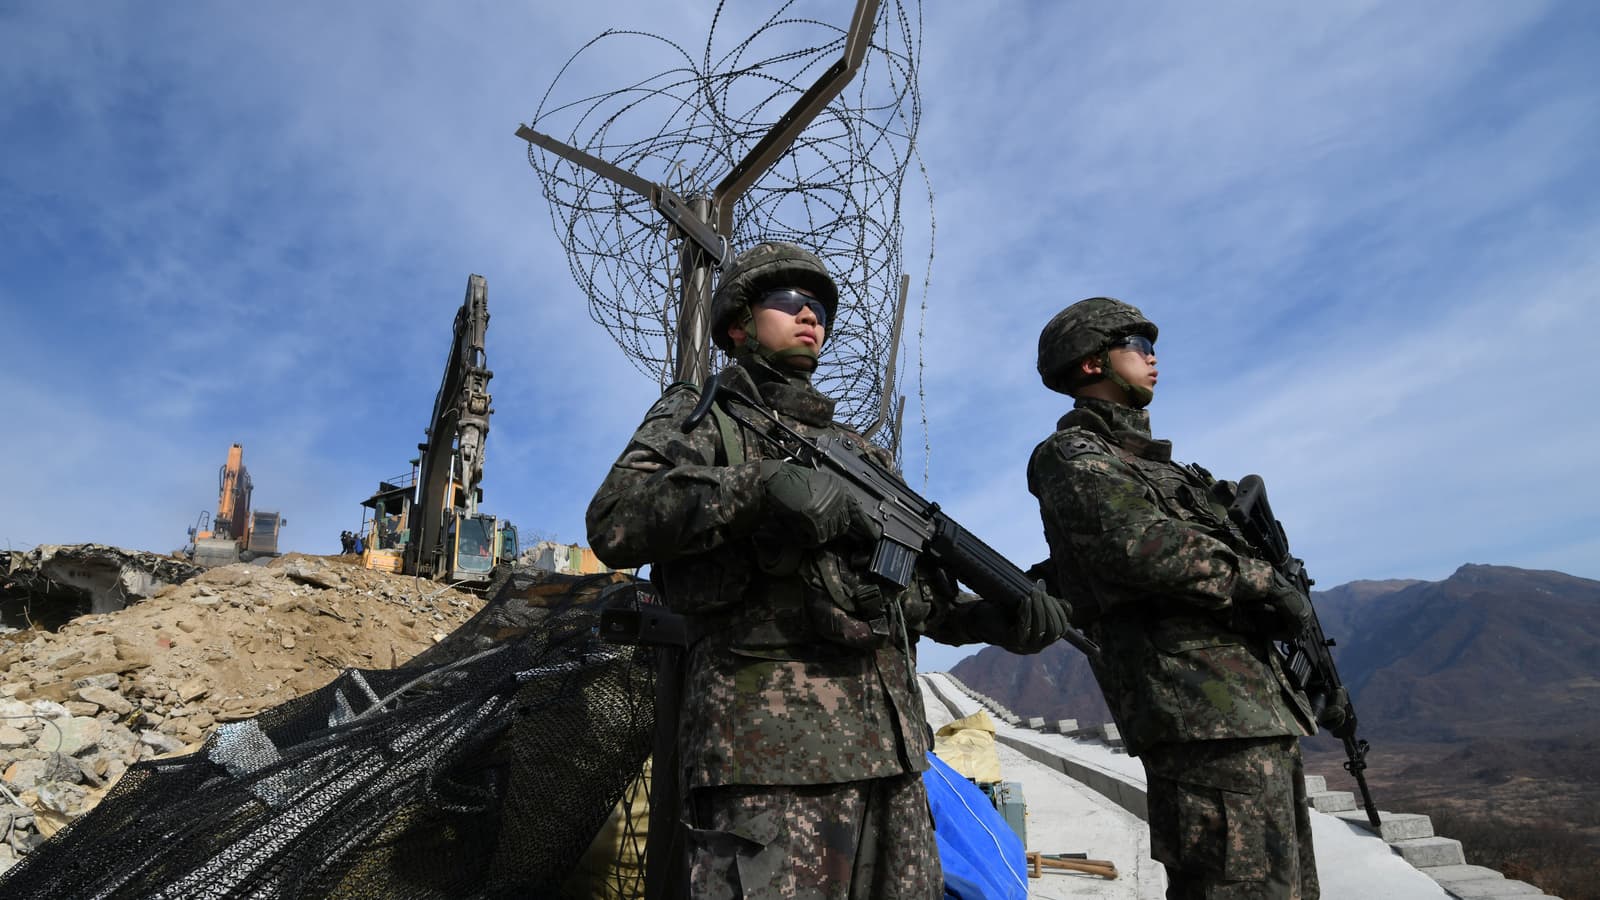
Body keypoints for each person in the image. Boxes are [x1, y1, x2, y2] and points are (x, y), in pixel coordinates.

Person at [587, 241, 1069, 900]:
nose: (809, 314)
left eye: (818, 306)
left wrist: (1001, 618)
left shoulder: (860, 453)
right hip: (767, 758)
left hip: (890, 762)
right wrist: (759, 488)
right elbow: (616, 518)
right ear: (738, 323)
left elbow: (916, 600)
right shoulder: (709, 417)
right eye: (789, 301)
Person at [1026, 297, 1321, 899]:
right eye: (1139, 346)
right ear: (1091, 364)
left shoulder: (1171, 472)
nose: (1154, 359)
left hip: (1249, 710)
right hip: (1196, 714)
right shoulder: (1074, 456)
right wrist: (1263, 583)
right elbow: (1136, 546)